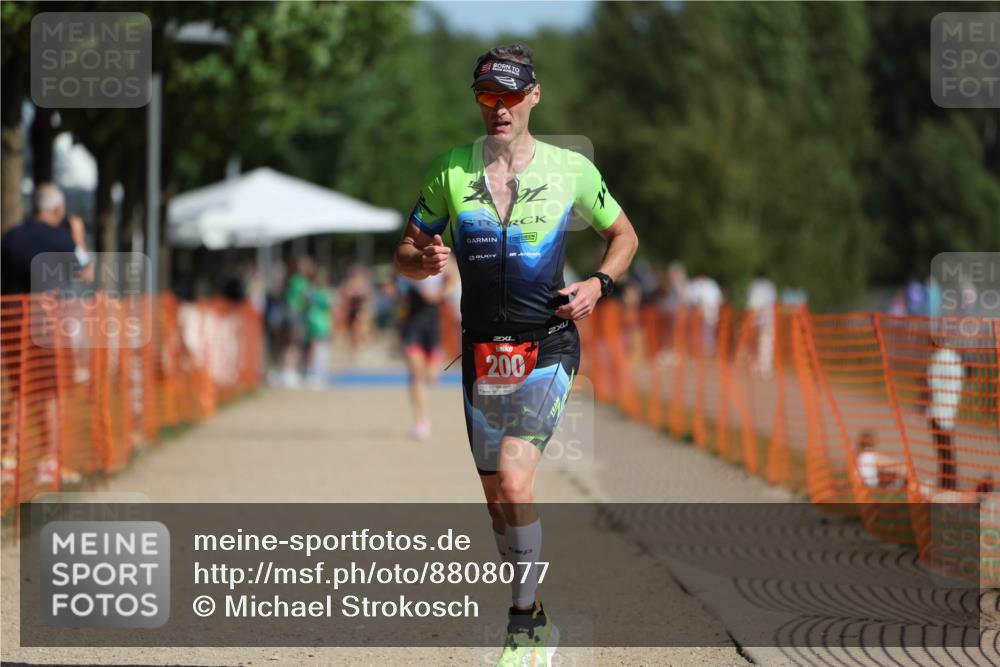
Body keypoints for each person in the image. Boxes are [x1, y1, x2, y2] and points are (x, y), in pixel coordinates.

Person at [394, 43, 638, 666]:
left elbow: (624, 235)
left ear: (533, 96)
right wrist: (419, 261)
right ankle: (535, 605)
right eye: (486, 96)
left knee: (514, 474)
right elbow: (405, 250)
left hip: (548, 344)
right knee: (498, 499)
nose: (498, 109)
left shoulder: (571, 170)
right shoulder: (450, 170)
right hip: (481, 353)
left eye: (509, 95)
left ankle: (524, 623)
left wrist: (599, 284)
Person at [399, 265, 456, 440]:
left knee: (431, 377)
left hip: (433, 327)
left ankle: (422, 417)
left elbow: (455, 275)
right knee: (417, 374)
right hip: (413, 326)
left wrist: (442, 291)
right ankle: (421, 420)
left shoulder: (444, 259)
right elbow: (404, 273)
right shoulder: (412, 258)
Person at [927, 346, 964, 490]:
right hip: (950, 411)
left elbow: (932, 383)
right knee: (948, 451)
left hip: (938, 411)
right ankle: (949, 483)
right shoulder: (956, 359)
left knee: (944, 452)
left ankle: (948, 484)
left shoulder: (937, 357)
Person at [305, 268, 333, 388]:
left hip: (324, 322)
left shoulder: (323, 292)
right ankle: (312, 373)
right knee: (314, 347)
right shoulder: (313, 292)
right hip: (315, 321)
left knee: (323, 347)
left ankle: (321, 371)